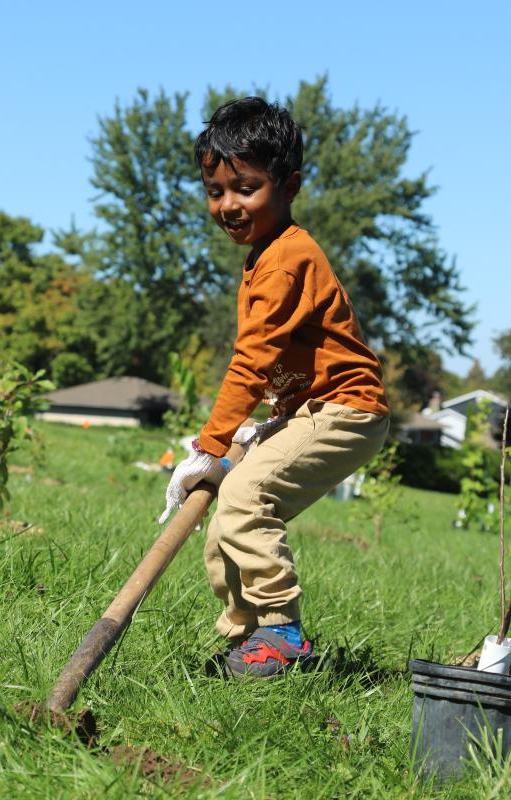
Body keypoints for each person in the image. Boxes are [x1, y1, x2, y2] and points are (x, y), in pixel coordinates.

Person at [159, 97, 389, 678]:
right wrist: (251, 425)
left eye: (247, 187)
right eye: (216, 190)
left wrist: (209, 447)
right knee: (225, 524)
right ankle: (248, 643)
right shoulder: (264, 257)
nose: (228, 205)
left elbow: (252, 360)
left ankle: (280, 633)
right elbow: (277, 361)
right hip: (307, 409)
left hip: (346, 411)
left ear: (290, 185)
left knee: (242, 499)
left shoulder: (288, 258)